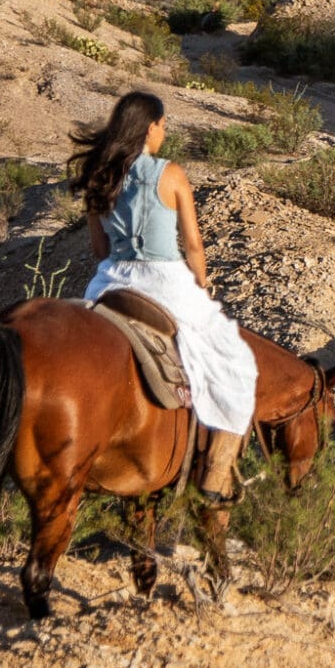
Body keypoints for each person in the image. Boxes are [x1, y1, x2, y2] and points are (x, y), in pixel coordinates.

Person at [70, 90, 256, 505]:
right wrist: (201, 286)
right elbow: (192, 246)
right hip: (165, 280)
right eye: (164, 124)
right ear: (151, 126)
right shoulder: (170, 173)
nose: (165, 131)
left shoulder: (98, 174)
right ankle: (215, 474)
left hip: (109, 282)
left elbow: (99, 250)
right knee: (234, 362)